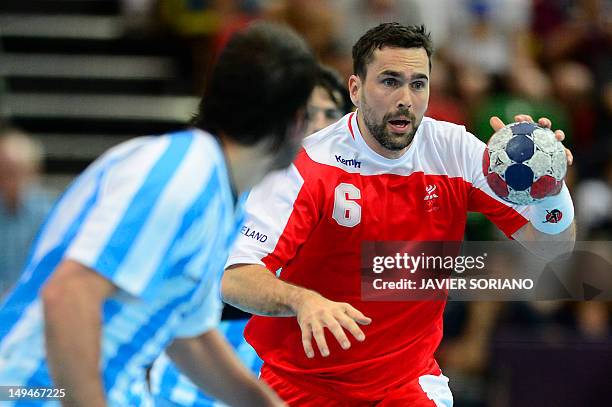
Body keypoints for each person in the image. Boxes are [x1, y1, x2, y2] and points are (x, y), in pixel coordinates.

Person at [220, 23, 575, 406]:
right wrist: (301, 300)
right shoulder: (305, 165)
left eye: (418, 84)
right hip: (301, 384)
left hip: (407, 384)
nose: (405, 98)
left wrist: (548, 190)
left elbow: (554, 247)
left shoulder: (455, 151)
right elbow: (235, 277)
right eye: (390, 81)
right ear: (355, 90)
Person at [0, 22, 317, 407]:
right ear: (296, 122)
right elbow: (68, 294)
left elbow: (189, 335)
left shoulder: (219, 193)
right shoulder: (181, 174)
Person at [150, 62, 354, 407]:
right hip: (207, 356)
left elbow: (399, 272)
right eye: (307, 113)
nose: (317, 125)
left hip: (308, 365)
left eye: (330, 113)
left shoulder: (354, 200)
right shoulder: (228, 183)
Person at [0, 128, 54, 297]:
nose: (6, 179)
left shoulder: (52, 212)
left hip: (35, 304)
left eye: (12, 171)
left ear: (33, 170)